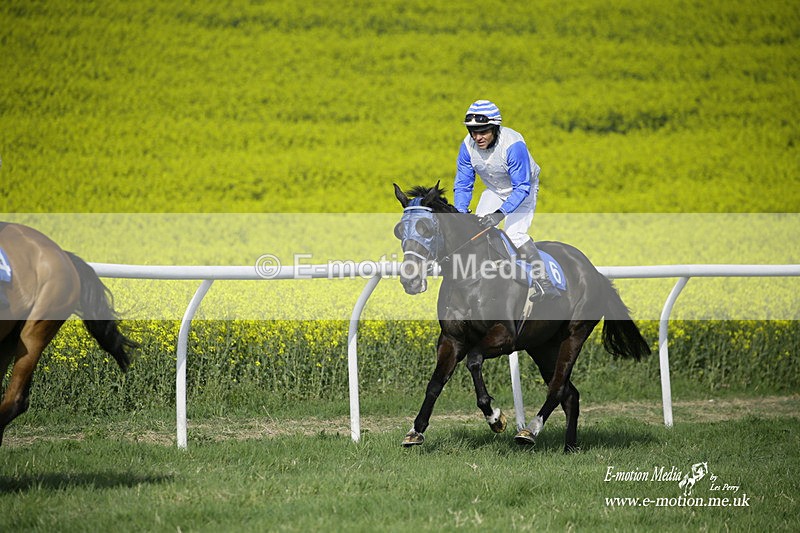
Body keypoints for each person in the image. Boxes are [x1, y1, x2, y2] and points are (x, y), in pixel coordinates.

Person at [453, 99, 559, 300]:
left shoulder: (513, 145)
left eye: (483, 131)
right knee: (476, 229)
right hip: (494, 190)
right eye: (473, 131)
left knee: (514, 234)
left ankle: (544, 281)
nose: (477, 137)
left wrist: (500, 214)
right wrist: (459, 213)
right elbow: (463, 184)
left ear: (495, 128)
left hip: (522, 191)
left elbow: (521, 187)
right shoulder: (466, 147)